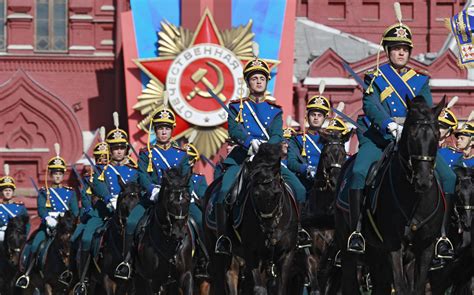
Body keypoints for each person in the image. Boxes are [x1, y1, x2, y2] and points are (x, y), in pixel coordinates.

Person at [345, 11, 457, 256]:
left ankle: (443, 236)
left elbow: (427, 112)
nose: (401, 53)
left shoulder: (419, 82)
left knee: (448, 177)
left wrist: (413, 131)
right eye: (396, 49)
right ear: (387, 51)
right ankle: (356, 231)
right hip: (380, 137)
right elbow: (371, 106)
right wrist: (390, 125)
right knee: (359, 172)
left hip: (413, 141)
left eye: (405, 49)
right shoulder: (376, 77)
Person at [214, 46, 307, 255]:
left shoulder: (274, 109)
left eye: (262, 78)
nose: (258, 81)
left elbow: (277, 134)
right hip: (242, 158)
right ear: (248, 82)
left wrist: (264, 148)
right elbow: (234, 129)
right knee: (223, 193)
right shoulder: (237, 107)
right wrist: (249, 142)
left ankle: (299, 232)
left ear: (266, 82)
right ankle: (224, 238)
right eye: (254, 78)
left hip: (268, 160)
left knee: (299, 190)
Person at [114, 106, 190, 280]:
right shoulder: (146, 153)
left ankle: (204, 259)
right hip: (152, 199)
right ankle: (126, 263)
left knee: (198, 221)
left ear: (172, 130)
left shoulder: (181, 154)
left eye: (167, 128)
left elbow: (186, 176)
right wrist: (152, 189)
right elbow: (141, 174)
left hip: (176, 201)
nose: (163, 132)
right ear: (155, 130)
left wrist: (187, 195)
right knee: (132, 222)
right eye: (160, 128)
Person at [16, 143, 79, 288]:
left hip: (66, 228)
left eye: (60, 173)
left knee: (77, 245)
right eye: (55, 173)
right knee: (35, 244)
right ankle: (27, 274)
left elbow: (75, 211)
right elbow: (41, 209)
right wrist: (48, 218)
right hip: (48, 228)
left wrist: (66, 216)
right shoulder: (44, 192)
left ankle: (81, 277)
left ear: (63, 175)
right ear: (51, 174)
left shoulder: (70, 193)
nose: (57, 176)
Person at [71, 127, 110, 294]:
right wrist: (88, 209)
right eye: (99, 157)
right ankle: (83, 277)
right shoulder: (91, 177)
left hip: (117, 213)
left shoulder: (117, 172)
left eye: (105, 157)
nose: (102, 160)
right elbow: (86, 198)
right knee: (82, 238)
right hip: (96, 213)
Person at [0, 164, 29, 244]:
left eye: (9, 190)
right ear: (1, 192)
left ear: (13, 192)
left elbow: (27, 223)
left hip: (16, 236)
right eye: (5, 190)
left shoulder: (20, 207)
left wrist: (23, 234)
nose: (8, 192)